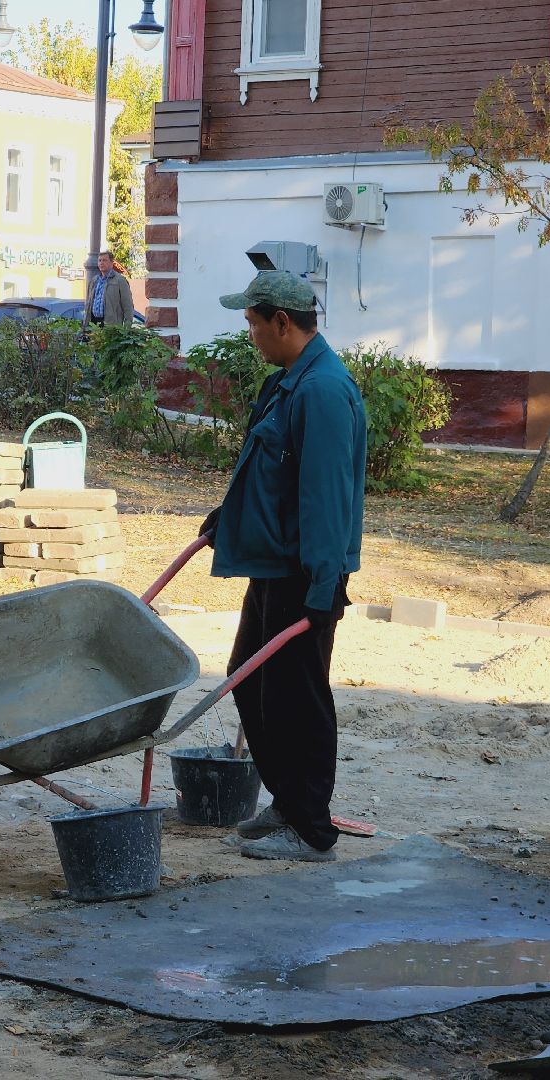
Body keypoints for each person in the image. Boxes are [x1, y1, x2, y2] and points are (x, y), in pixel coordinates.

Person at [199, 270, 367, 862]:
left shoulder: (322, 391)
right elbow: (274, 474)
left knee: (298, 695)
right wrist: (230, 517)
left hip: (305, 571)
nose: (250, 335)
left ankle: (310, 829)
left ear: (282, 322)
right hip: (275, 561)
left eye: (253, 323)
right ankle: (289, 801)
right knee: (250, 677)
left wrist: (324, 584)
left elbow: (326, 495)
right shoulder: (290, 383)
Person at [86, 250, 134, 327]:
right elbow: (88, 304)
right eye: (99, 260)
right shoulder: (94, 280)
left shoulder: (120, 281)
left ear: (111, 263)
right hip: (94, 324)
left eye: (104, 260)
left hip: (111, 326)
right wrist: (85, 325)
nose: (101, 263)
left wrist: (127, 328)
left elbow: (128, 306)